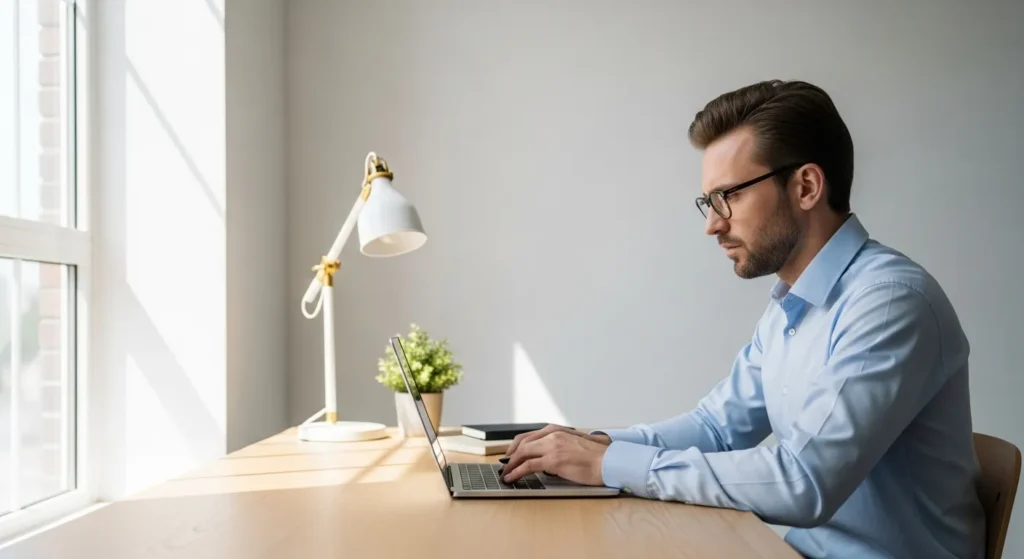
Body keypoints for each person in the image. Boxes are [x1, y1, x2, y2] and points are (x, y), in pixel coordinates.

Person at [499, 79, 987, 558]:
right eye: (708, 202)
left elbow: (804, 482)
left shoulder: (888, 304)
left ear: (807, 186)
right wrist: (589, 445)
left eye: (727, 196)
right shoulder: (792, 305)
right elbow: (717, 428)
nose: (713, 223)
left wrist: (610, 463)